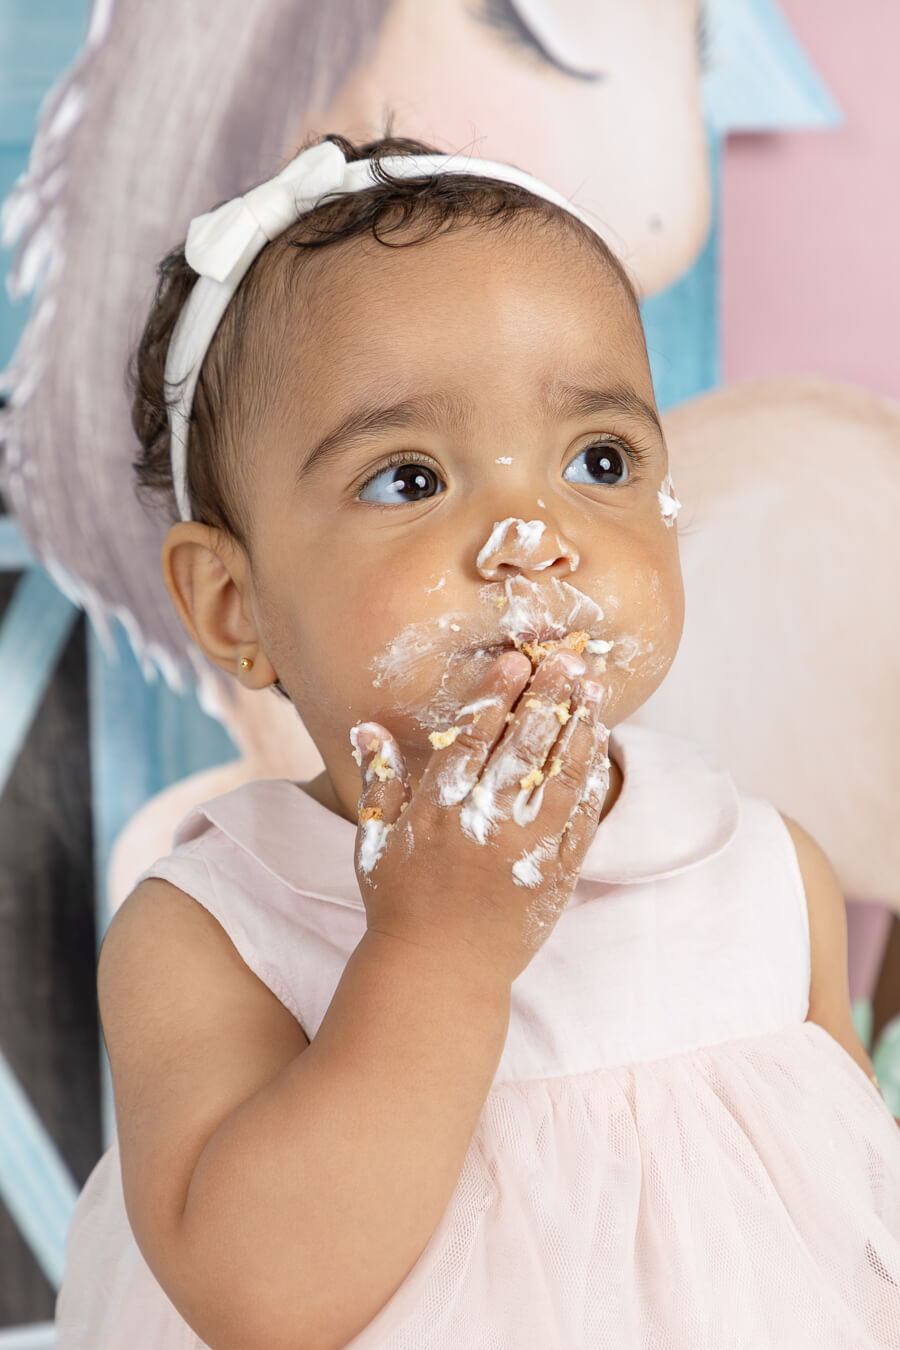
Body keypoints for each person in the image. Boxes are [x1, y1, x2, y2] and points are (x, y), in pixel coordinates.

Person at [55, 134, 900, 1349]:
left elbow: (848, 1240)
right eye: (408, 478)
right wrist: (435, 954)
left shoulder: (763, 873)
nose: (531, 535)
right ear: (237, 606)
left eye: (598, 461)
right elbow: (261, 1301)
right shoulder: (214, 930)